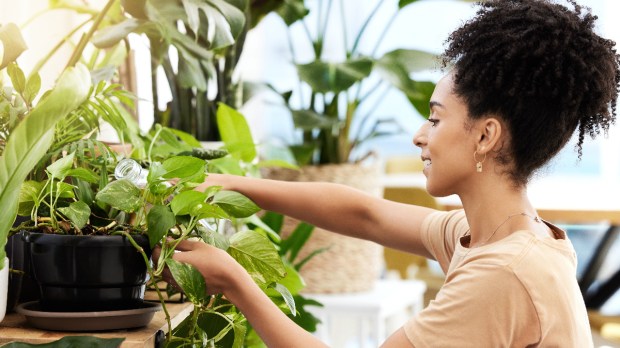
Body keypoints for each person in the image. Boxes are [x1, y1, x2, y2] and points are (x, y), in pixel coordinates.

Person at [153, 0, 620, 346]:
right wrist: (231, 185)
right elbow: (365, 215)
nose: (420, 135)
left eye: (435, 119)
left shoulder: (503, 274)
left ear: (485, 136)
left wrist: (236, 283)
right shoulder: (496, 237)